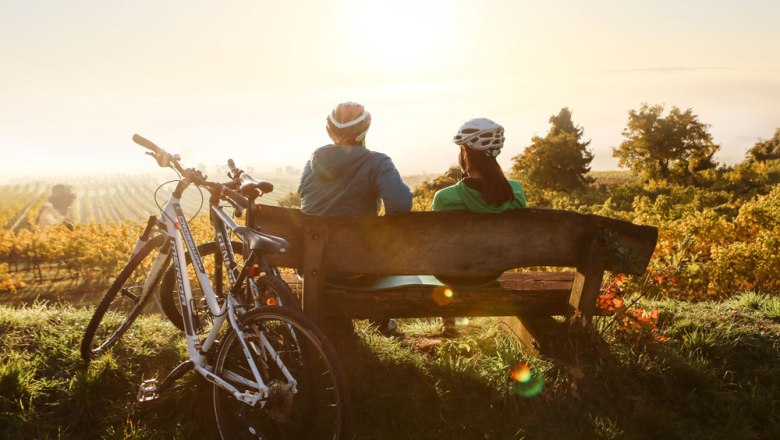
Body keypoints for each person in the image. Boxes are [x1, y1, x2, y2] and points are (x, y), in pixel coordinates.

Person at [299, 102, 413, 335]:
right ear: (365, 129)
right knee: (380, 250)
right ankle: (379, 320)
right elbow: (400, 205)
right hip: (361, 270)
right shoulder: (377, 162)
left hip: (313, 267)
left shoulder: (311, 164)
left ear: (330, 131)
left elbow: (305, 201)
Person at [432, 117, 527, 335]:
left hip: (453, 276)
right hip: (493, 272)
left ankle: (449, 322)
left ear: (465, 152)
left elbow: (439, 245)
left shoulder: (445, 197)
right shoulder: (516, 192)